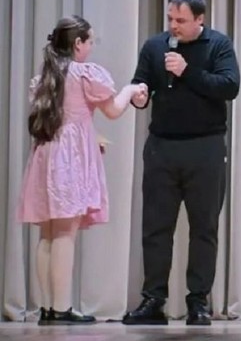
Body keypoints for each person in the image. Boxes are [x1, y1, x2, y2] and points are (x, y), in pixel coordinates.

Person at [122, 0, 240, 326]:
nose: (174, 26)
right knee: (156, 227)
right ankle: (153, 300)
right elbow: (141, 83)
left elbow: (229, 87)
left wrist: (187, 71)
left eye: (181, 20)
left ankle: (198, 302)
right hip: (162, 146)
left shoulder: (218, 45)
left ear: (200, 19)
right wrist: (139, 95)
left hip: (206, 147)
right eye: (170, 19)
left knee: (204, 228)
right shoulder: (154, 46)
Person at [18, 16, 147, 325]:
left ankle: (47, 307)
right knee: (65, 231)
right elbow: (113, 110)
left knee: (48, 233)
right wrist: (130, 90)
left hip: (46, 153)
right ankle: (61, 308)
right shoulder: (83, 73)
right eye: (90, 41)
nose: (91, 47)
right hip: (69, 158)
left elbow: (62, 117)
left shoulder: (46, 76)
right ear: (78, 44)